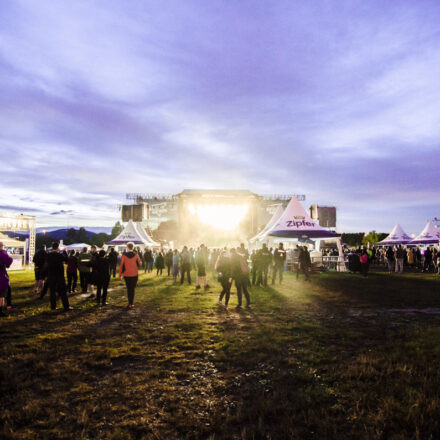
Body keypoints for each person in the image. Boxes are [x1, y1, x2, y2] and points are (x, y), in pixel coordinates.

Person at [45, 242, 71, 311]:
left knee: (52, 292)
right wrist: (64, 252)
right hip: (59, 275)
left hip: (51, 275)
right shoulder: (60, 255)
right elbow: (67, 260)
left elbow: (46, 264)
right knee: (63, 291)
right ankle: (66, 306)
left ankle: (53, 306)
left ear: (52, 247)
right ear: (58, 247)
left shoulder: (48, 255)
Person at [119, 242, 142, 309]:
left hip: (126, 274)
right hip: (134, 274)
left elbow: (121, 266)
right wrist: (140, 261)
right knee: (132, 289)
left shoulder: (124, 256)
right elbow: (140, 264)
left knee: (129, 288)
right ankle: (131, 303)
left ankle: (129, 303)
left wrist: (120, 275)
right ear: (133, 247)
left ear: (127, 247)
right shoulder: (136, 255)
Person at [0, 242, 13, 316]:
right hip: (1, 277)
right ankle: (1, 310)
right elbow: (9, 261)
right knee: (1, 295)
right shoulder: (2, 254)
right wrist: (6, 254)